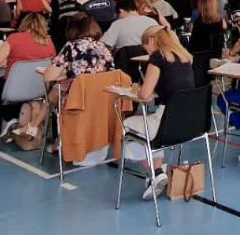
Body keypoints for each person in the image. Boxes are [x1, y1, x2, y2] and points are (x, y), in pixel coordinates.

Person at [122, 26, 196, 200]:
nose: (145, 49)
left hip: (167, 121)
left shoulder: (158, 57)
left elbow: (145, 95)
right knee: (150, 132)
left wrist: (136, 89)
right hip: (190, 121)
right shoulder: (184, 57)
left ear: (152, 41)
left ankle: (155, 173)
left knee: (127, 126)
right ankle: (158, 172)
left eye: (145, 45)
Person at [0, 13, 57, 139]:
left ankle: (10, 120)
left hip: (14, 89)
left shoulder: (14, 38)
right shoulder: (48, 41)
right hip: (39, 89)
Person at [43, 14, 114, 125]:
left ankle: (37, 127)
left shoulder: (71, 47)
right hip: (102, 96)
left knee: (56, 91)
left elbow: (49, 76)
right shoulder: (104, 47)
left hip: (79, 97)